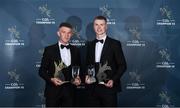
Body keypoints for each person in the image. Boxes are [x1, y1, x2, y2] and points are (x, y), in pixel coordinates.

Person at [85, 16, 127, 107]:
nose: (99, 27)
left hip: (108, 88)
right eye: (96, 24)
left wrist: (113, 80)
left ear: (106, 26)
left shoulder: (115, 44)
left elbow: (122, 65)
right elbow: (88, 65)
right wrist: (87, 76)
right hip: (92, 88)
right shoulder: (90, 45)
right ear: (93, 27)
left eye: (102, 25)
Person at [39, 22, 81, 107]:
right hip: (53, 92)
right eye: (63, 32)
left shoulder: (76, 50)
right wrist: (51, 79)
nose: (66, 35)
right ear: (58, 33)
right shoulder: (49, 50)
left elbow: (78, 69)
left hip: (70, 92)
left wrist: (78, 79)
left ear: (71, 34)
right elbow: (41, 71)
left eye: (69, 33)